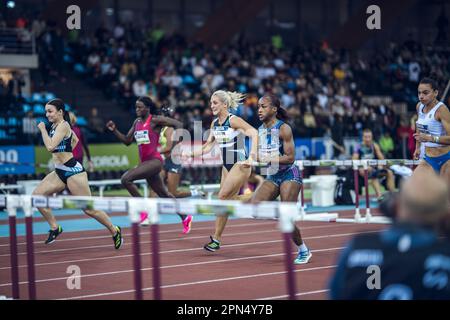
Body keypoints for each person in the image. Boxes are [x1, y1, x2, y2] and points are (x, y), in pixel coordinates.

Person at [329, 171, 450, 299]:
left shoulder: (358, 247)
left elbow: (336, 293)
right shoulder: (444, 257)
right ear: (444, 215)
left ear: (395, 207)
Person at [32, 99, 122, 249]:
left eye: (50, 111)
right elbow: (74, 140)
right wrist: (64, 152)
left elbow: (50, 146)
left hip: (73, 172)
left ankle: (114, 230)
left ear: (60, 112)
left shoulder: (64, 125)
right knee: (37, 197)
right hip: (60, 171)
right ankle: (55, 227)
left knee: (88, 208)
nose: (47, 115)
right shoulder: (55, 126)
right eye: (46, 111)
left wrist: (42, 129)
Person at [184, 90, 258, 251]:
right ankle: (216, 240)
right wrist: (190, 154)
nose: (212, 106)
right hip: (227, 166)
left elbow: (254, 132)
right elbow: (207, 146)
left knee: (222, 196)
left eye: (215, 103)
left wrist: (251, 157)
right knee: (223, 202)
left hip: (240, 164)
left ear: (225, 104)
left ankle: (264, 196)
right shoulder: (214, 124)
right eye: (211, 103)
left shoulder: (234, 120)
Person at [106, 96, 193, 234]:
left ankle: (144, 209)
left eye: (140, 107)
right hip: (145, 163)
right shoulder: (137, 122)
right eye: (136, 107)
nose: (137, 109)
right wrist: (115, 130)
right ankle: (185, 216)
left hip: (155, 161)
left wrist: (174, 146)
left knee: (125, 179)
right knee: (163, 194)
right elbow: (127, 141)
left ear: (147, 108)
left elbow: (179, 124)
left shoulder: (155, 120)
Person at [249, 94, 311, 264]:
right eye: (258, 107)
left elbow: (290, 157)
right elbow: (259, 155)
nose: (259, 110)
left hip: (290, 174)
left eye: (264, 106)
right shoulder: (260, 130)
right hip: (273, 175)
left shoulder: (284, 129)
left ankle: (303, 250)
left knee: (286, 218)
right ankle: (283, 212)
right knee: (255, 207)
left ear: (274, 109)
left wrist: (268, 158)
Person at [413, 77, 450, 182]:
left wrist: (430, 138)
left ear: (435, 93)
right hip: (429, 159)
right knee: (414, 189)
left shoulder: (442, 110)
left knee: (444, 197)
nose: (421, 96)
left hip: (446, 159)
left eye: (425, 93)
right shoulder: (419, 106)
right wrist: (417, 147)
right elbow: (419, 126)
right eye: (419, 93)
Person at [352, 128, 395, 198]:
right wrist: (361, 167)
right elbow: (354, 160)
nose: (368, 139)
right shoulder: (358, 146)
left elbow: (382, 158)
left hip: (374, 169)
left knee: (389, 172)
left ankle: (392, 195)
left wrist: (380, 164)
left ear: (371, 137)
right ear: (363, 137)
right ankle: (379, 196)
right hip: (364, 170)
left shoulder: (374, 145)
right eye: (366, 137)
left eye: (369, 137)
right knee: (373, 175)